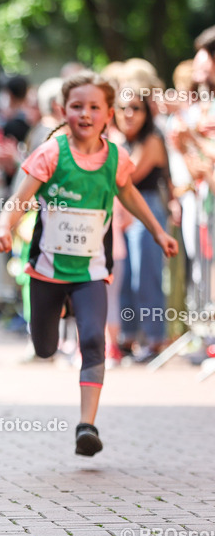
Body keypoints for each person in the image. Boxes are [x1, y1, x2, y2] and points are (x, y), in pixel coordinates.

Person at [0, 71, 178, 457]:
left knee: (93, 340)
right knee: (45, 347)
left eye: (94, 107)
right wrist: (3, 226)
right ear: (64, 110)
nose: (86, 114)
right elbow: (19, 199)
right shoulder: (51, 153)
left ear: (108, 113)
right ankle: (45, 339)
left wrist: (159, 232)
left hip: (92, 270)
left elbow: (130, 196)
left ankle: (86, 426)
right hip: (47, 269)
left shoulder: (115, 158)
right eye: (77, 107)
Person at [112, 87, 180, 361]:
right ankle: (129, 337)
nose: (129, 114)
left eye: (136, 108)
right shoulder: (120, 142)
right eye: (123, 108)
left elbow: (124, 177)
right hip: (122, 212)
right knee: (125, 277)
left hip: (147, 208)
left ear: (146, 112)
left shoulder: (151, 140)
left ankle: (155, 340)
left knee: (146, 277)